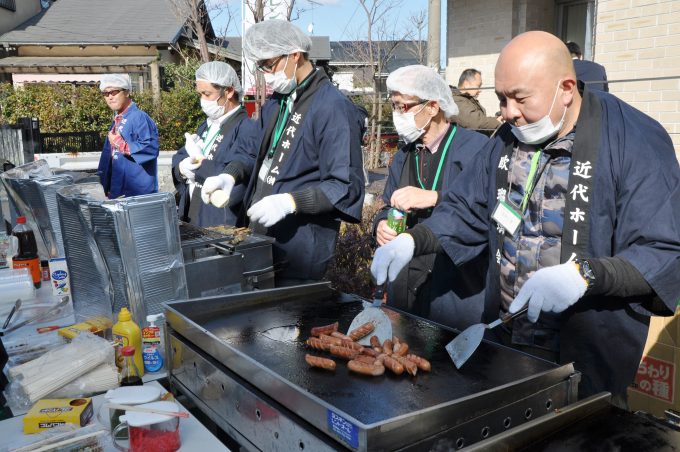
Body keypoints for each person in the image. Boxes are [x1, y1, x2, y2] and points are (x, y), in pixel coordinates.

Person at [371, 31, 680, 407]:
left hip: (586, 348)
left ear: (566, 88)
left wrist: (586, 274)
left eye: (519, 98)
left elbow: (662, 248)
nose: (508, 112)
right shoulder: (506, 139)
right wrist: (414, 240)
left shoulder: (635, 139)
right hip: (506, 335)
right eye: (501, 98)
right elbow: (466, 208)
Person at [200, 20, 365, 285]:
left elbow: (344, 185)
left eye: (269, 64)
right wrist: (229, 176)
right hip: (262, 233)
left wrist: (290, 202)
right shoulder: (278, 102)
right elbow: (253, 151)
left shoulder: (332, 107)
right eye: (260, 66)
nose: (265, 73)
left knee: (291, 320)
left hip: (301, 243)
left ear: (295, 55)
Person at [374, 65, 488, 330]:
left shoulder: (475, 148)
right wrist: (379, 225)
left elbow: (483, 208)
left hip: (453, 288)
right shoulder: (405, 153)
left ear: (433, 106)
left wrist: (435, 196)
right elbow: (387, 204)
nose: (397, 115)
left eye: (404, 107)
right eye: (394, 106)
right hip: (405, 285)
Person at [171, 61, 250, 227]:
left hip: (219, 220)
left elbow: (238, 172)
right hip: (192, 211)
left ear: (228, 91)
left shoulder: (246, 127)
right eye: (200, 94)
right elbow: (181, 156)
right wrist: (182, 167)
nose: (202, 100)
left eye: (207, 94)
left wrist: (200, 164)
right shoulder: (207, 124)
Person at [97, 74, 159, 198]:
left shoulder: (139, 117)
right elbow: (108, 157)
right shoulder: (117, 120)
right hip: (118, 191)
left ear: (127, 92)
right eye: (106, 93)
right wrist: (105, 184)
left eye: (114, 92)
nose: (110, 97)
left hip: (137, 194)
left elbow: (151, 148)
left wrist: (121, 144)